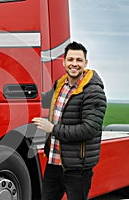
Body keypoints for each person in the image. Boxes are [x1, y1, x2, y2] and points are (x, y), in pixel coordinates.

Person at [32, 41, 107, 200]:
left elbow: (88, 129)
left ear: (85, 63)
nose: (74, 64)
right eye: (71, 59)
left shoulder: (93, 91)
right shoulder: (60, 84)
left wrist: (52, 129)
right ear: (64, 62)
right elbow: (44, 100)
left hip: (77, 168)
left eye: (79, 60)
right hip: (54, 163)